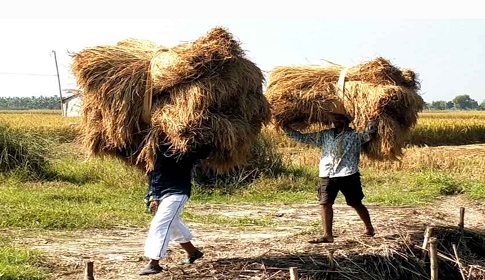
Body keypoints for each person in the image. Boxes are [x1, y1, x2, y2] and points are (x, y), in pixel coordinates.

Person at [283, 114, 378, 243]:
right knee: (325, 203)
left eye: (341, 118)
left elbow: (369, 133)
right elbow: (302, 137)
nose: (337, 121)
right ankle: (327, 235)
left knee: (354, 203)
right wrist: (284, 127)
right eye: (335, 118)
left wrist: (373, 118)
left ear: (348, 121)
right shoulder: (324, 135)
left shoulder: (355, 135)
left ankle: (369, 228)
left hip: (348, 173)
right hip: (327, 173)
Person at [134, 143, 213, 276]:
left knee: (160, 223)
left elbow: (204, 150)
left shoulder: (185, 147)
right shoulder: (153, 147)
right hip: (159, 193)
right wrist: (154, 196)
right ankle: (193, 252)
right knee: (173, 222)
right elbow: (154, 174)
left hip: (177, 192)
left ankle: (154, 263)